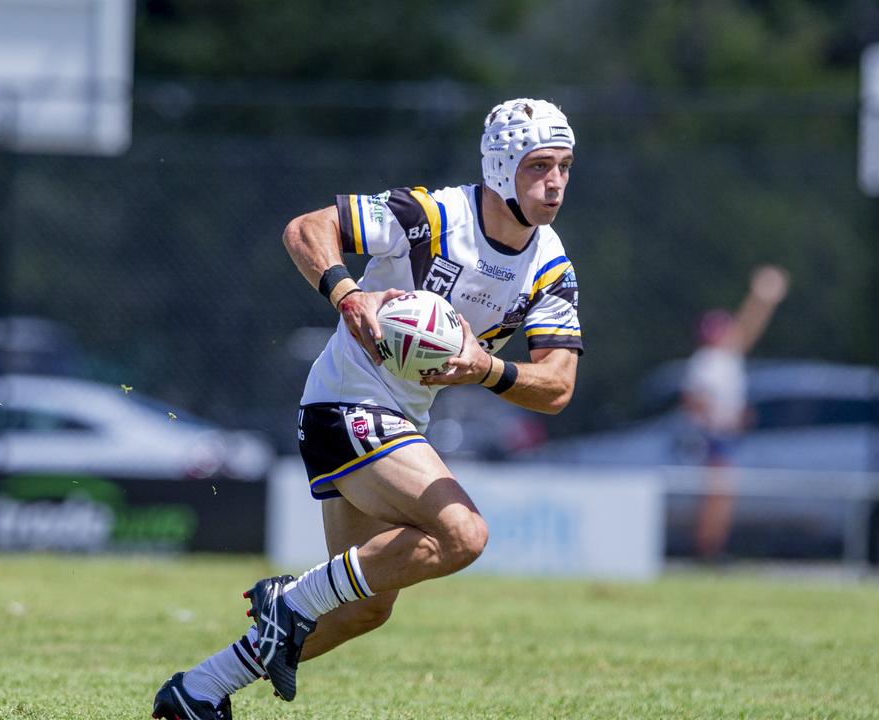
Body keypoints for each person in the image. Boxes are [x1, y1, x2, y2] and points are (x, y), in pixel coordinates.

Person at [152, 98, 584, 718]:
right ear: (499, 167)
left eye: (565, 166)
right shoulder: (429, 214)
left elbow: (558, 386)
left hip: (402, 422)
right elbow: (306, 228)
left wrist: (486, 368)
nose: (556, 182)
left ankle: (198, 691)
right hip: (343, 402)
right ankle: (293, 602)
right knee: (464, 535)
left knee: (364, 606)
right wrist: (347, 294)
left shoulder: (550, 266)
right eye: (539, 165)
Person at [682, 264, 788, 562]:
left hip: (723, 434)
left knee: (722, 495)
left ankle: (711, 549)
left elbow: (748, 326)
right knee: (716, 495)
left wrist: (761, 301)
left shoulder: (725, 359)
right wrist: (719, 420)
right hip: (712, 436)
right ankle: (706, 551)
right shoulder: (707, 361)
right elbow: (693, 400)